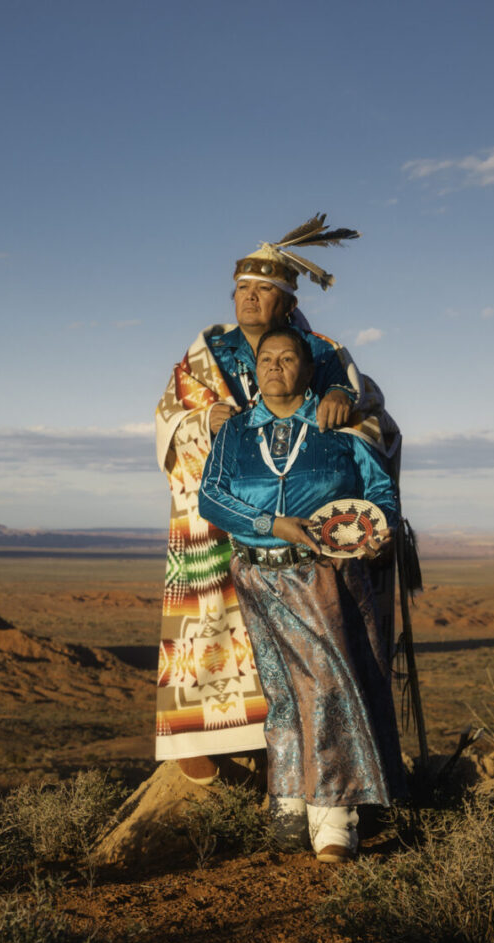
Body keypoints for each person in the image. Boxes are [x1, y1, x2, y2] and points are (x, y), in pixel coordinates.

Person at [153, 216, 399, 784]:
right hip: (224, 506)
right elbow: (170, 415)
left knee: (310, 635)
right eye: (242, 289)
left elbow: (368, 408)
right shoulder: (206, 351)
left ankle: (307, 757)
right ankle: (201, 736)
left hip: (301, 517)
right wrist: (201, 419)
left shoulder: (322, 351)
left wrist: (341, 398)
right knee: (211, 616)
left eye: (263, 291)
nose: (248, 299)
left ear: (287, 303)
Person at [197, 328, 408, 862]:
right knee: (283, 691)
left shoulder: (343, 423)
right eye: (266, 358)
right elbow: (211, 498)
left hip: (324, 576)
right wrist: (271, 523)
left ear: (308, 369)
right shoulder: (236, 430)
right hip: (256, 574)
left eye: (288, 358)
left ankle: (336, 816)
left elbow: (379, 492)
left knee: (328, 688)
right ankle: (289, 801)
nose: (274, 367)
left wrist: (372, 534)